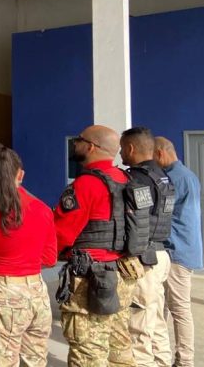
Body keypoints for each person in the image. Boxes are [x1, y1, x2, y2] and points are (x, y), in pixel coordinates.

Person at [54, 125, 141, 367]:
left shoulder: (86, 185)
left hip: (92, 281)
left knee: (88, 354)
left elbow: (61, 234)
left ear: (91, 147)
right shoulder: (126, 179)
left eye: (79, 140)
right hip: (124, 274)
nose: (75, 144)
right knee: (119, 350)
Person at [0, 144, 57, 366]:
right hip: (37, 293)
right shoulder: (43, 209)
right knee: (35, 362)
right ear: (21, 175)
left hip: (3, 294)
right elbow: (50, 258)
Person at [120, 127, 174, 367]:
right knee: (156, 320)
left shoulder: (136, 179)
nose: (121, 153)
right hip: (160, 254)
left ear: (131, 148)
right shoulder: (163, 176)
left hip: (143, 259)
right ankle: (162, 362)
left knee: (139, 326)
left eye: (122, 148)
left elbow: (135, 222)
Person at [154, 136, 202, 367]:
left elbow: (159, 215)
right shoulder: (188, 175)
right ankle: (163, 356)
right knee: (165, 307)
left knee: (178, 309)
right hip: (184, 250)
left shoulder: (173, 179)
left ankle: (184, 361)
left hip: (176, 252)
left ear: (160, 154)